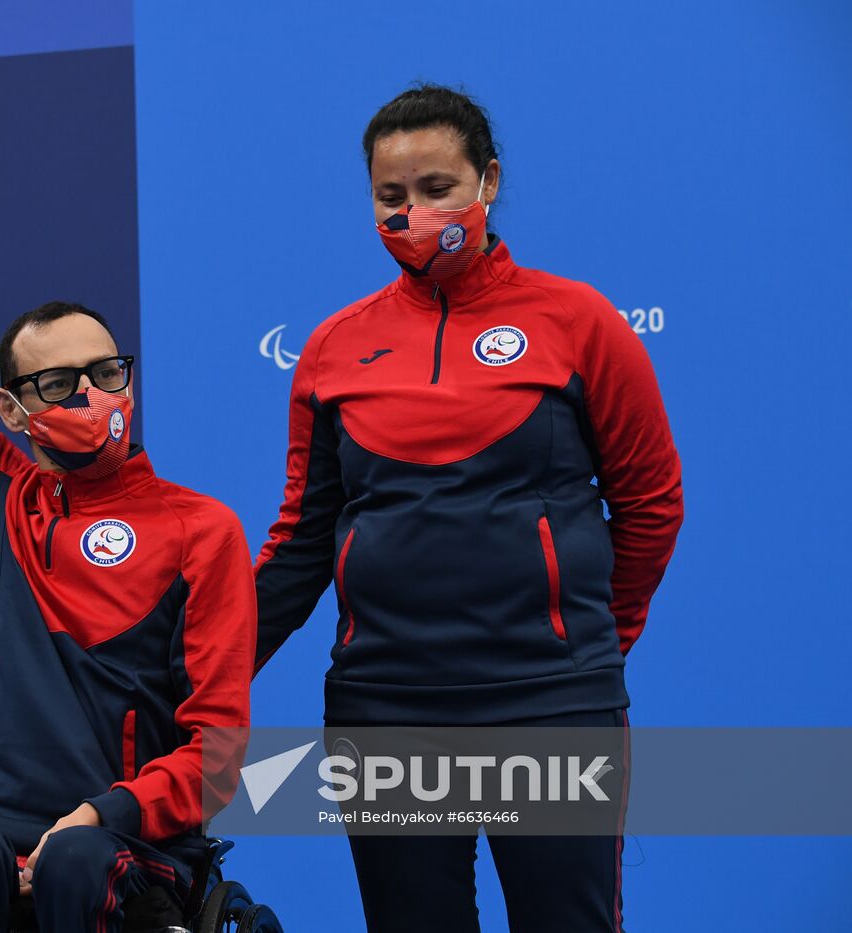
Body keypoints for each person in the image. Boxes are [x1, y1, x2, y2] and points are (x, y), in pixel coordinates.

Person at [0, 26, 255, 933]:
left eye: (109, 373)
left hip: (124, 836)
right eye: (60, 383)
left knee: (77, 860)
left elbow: (219, 752)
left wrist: (107, 812)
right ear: (13, 407)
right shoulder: (2, 491)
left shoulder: (201, 529)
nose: (92, 395)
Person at [253, 85, 683, 932]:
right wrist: (198, 667)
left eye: (437, 188)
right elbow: (302, 540)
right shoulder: (335, 348)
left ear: (487, 180)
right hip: (386, 707)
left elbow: (650, 502)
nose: (412, 212)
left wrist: (587, 643)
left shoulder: (580, 322)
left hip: (551, 704)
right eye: (390, 196)